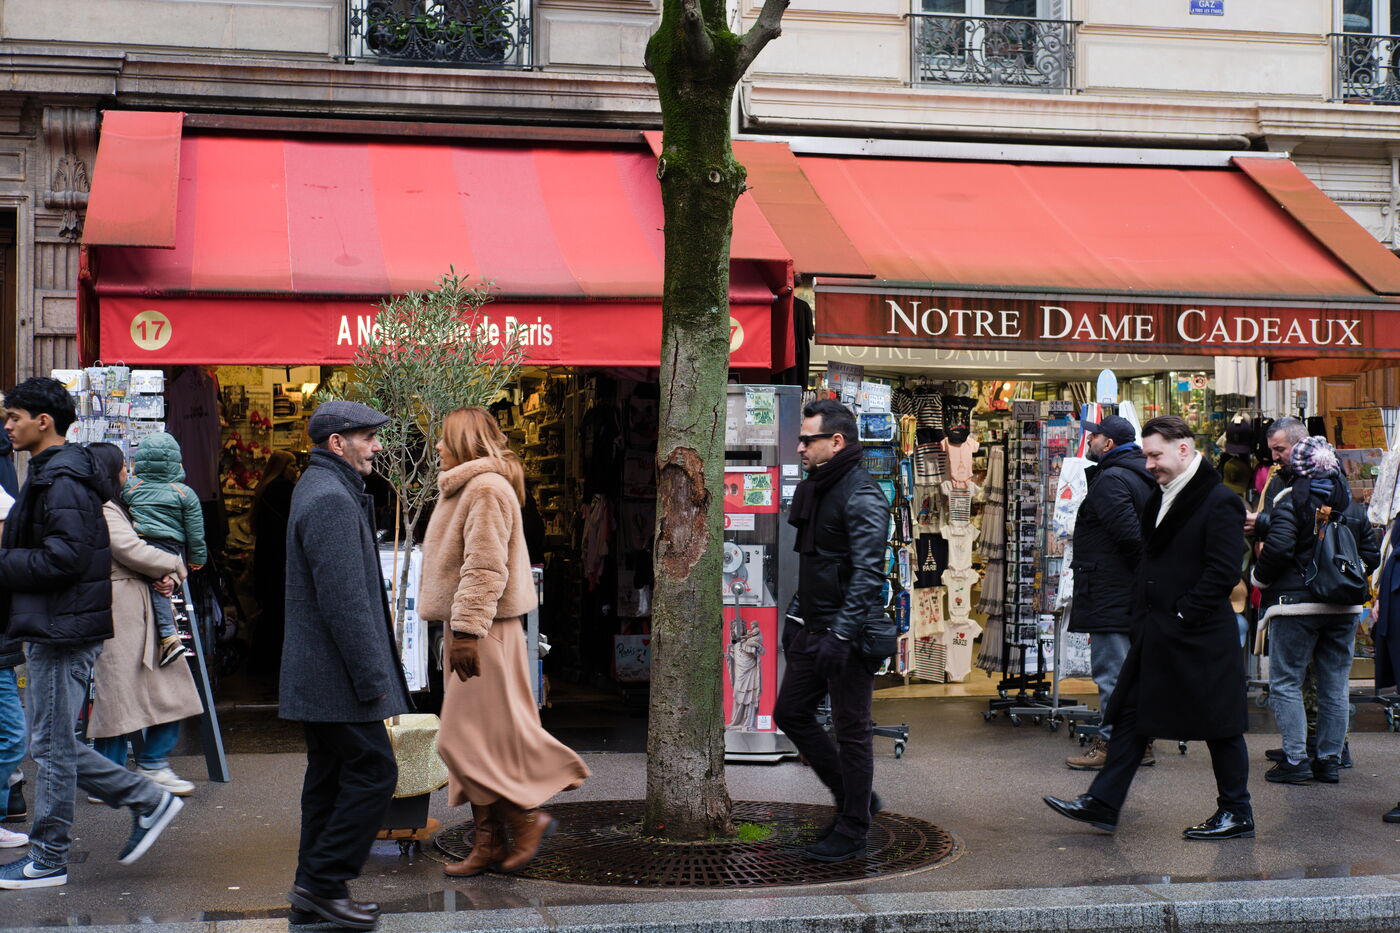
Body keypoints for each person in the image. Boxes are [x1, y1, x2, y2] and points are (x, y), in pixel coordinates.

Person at [0, 378, 183, 889]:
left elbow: (66, 557)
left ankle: (49, 857)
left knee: (52, 747)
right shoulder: (53, 472)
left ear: (43, 421)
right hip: (56, 624)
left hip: (62, 627)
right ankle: (148, 800)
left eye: (14, 417)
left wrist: (3, 561)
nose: (7, 426)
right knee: (51, 743)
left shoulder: (61, 478)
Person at [1044, 416, 1253, 841]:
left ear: (1183, 448)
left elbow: (1223, 571)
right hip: (1157, 630)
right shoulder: (1162, 494)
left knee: (1221, 726)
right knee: (1130, 717)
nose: (1149, 464)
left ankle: (1237, 811)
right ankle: (1103, 802)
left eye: (1155, 455)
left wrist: (1183, 615)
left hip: (1198, 634)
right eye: (1146, 455)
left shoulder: (1218, 500)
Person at [423, 407, 588, 878]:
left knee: (460, 739)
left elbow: (485, 566)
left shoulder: (485, 488)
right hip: (475, 628)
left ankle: (525, 819)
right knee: (482, 738)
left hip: (484, 630)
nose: (438, 447)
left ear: (466, 442)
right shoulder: (470, 487)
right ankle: (489, 844)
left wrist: (467, 631)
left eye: (445, 438)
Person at [280, 400, 412, 930]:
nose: (377, 446)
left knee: (330, 778)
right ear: (337, 443)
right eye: (367, 437)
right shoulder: (330, 497)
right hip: (336, 678)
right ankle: (322, 883)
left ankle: (312, 892)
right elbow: (345, 604)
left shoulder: (321, 487)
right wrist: (372, 680)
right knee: (375, 771)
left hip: (324, 674)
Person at [773, 399, 894, 863]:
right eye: (800, 439)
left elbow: (868, 574)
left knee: (852, 730)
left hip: (850, 633)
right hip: (814, 627)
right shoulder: (819, 488)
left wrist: (840, 635)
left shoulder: (861, 494)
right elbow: (816, 565)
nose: (800, 447)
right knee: (791, 713)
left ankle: (853, 828)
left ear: (836, 441)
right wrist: (796, 617)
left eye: (808, 440)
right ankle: (854, 799)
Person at [1252, 436, 1378, 785]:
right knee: (1335, 684)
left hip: (1296, 607)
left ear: (1299, 467)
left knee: (1286, 682)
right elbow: (1370, 556)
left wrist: (1259, 579)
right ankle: (1329, 760)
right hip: (1343, 608)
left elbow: (1278, 548)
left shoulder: (1291, 500)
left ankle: (1296, 760)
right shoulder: (1352, 506)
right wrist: (1342, 577)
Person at [86, 443, 204, 798]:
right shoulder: (105, 509)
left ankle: (142, 765)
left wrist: (168, 578)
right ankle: (115, 773)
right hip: (122, 614)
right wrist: (176, 565)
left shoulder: (122, 503)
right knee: (118, 698)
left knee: (162, 689)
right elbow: (131, 551)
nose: (129, 472)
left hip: (136, 611)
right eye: (123, 467)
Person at [1063, 415, 1157, 772]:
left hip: (1111, 592)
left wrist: (1140, 577)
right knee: (1130, 672)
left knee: (1112, 673)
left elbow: (1130, 537)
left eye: (1095, 436)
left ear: (1109, 443)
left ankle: (1113, 744)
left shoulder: (1112, 479)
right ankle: (1139, 743)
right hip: (1125, 591)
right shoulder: (1140, 473)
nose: (1089, 441)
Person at [122, 432, 207, 668]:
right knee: (162, 586)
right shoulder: (185, 493)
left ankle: (168, 636)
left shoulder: (132, 487)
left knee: (155, 586)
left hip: (141, 543)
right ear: (176, 461)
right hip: (170, 547)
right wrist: (197, 559)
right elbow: (195, 531)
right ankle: (169, 635)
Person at [251, 451, 297, 679]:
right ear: (282, 467)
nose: (295, 470)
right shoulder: (283, 489)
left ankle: (261, 664)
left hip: (266, 556)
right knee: (278, 614)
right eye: (292, 465)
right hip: (279, 558)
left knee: (269, 611)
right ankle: (271, 666)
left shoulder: (265, 488)